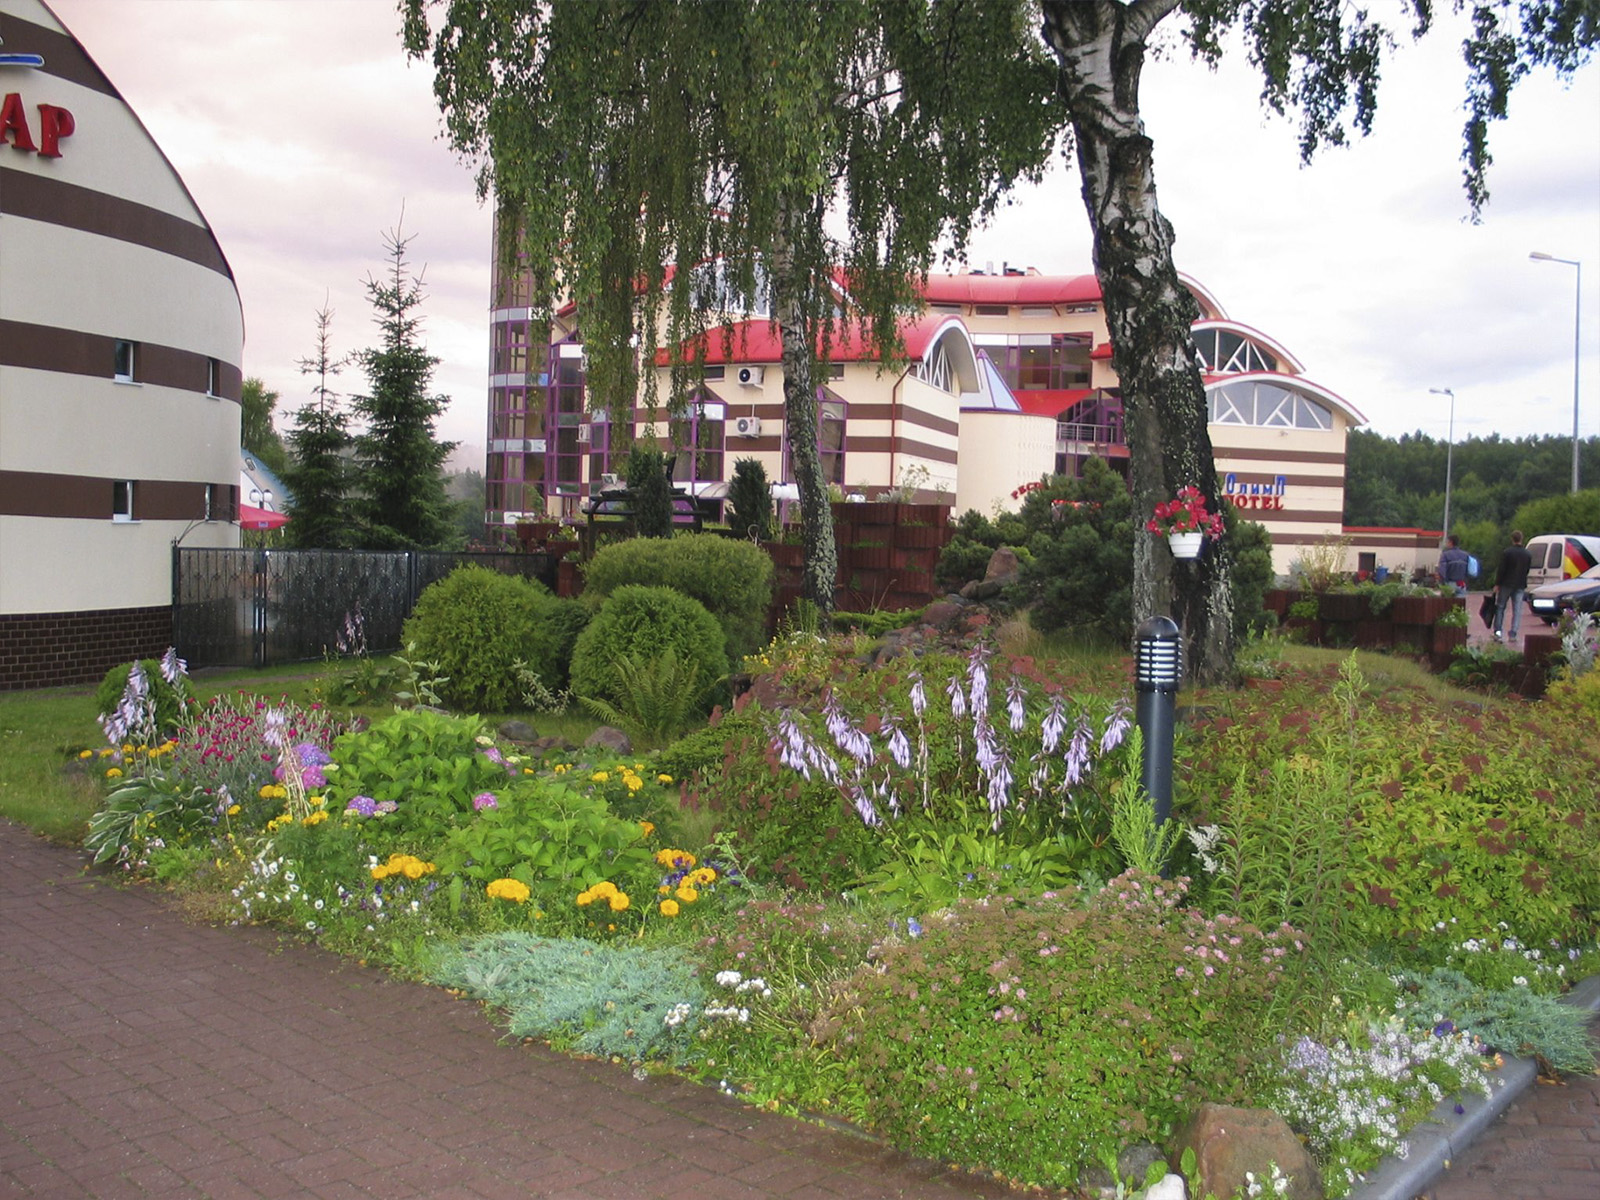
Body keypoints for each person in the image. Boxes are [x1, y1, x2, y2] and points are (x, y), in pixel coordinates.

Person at [1493, 530, 1532, 641]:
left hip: (1506, 583)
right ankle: (1513, 633)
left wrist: (1497, 583)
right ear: (1521, 539)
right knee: (1517, 610)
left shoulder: (1507, 553)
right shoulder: (1527, 554)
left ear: (1512, 539)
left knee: (1500, 607)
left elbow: (1502, 569)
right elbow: (1527, 570)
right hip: (1520, 584)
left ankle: (1498, 632)